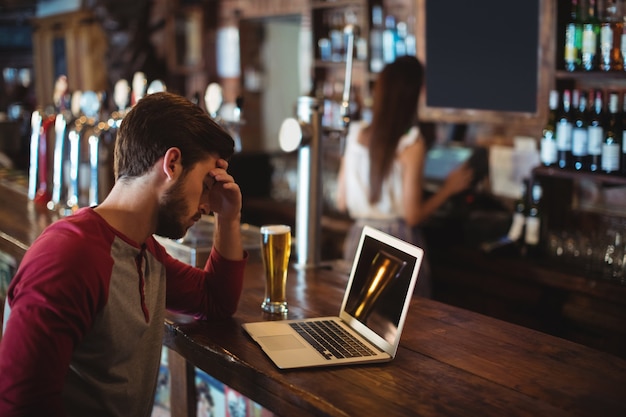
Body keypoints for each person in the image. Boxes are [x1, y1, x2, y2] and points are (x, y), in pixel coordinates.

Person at [0, 91, 247, 416]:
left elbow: (214, 301)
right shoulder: (69, 258)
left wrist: (229, 216)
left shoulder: (143, 250)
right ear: (172, 164)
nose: (207, 204)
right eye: (205, 183)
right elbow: (19, 406)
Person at [336, 56, 474, 298]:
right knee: (407, 330)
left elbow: (341, 201)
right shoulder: (411, 143)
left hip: (359, 240)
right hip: (397, 245)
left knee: (359, 322)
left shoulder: (355, 135)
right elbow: (412, 216)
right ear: (413, 94)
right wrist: (449, 189)